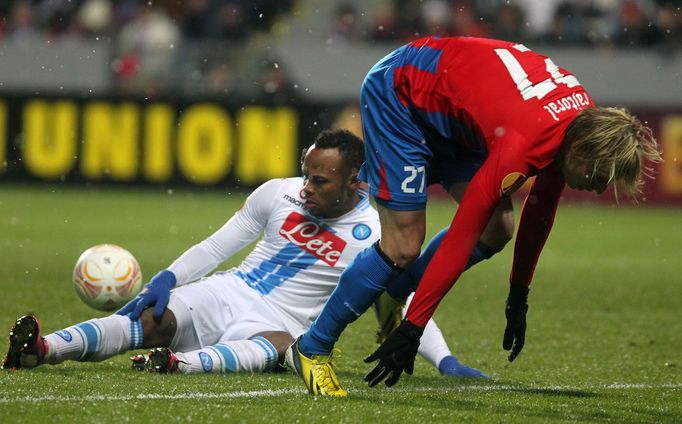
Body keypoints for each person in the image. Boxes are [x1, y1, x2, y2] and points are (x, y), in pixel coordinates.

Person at [287, 36, 662, 396]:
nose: (598, 188)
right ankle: (313, 347)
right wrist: (415, 327)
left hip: (456, 117)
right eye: (598, 177)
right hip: (402, 94)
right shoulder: (523, 142)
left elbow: (541, 206)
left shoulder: (585, 126)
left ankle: (393, 294)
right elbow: (462, 232)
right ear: (580, 151)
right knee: (403, 245)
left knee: (498, 228)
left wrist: (519, 295)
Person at [2, 129, 483, 380]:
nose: (307, 187)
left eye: (320, 180)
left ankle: (177, 366)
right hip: (229, 290)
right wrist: (165, 279)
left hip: (282, 324)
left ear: (355, 181)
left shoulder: (374, 232)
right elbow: (218, 245)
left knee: (277, 346)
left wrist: (444, 362)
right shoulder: (278, 193)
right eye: (306, 173)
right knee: (152, 320)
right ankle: (43, 350)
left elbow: (407, 296)